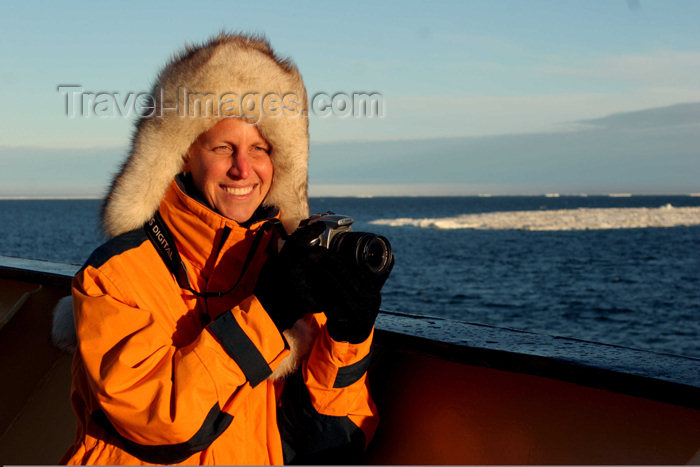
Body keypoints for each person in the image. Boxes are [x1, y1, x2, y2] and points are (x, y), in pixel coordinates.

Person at [59, 32, 391, 465]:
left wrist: (349, 334)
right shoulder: (116, 275)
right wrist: (268, 313)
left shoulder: (286, 266)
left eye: (260, 149)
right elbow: (163, 424)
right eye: (222, 148)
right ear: (181, 155)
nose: (243, 169)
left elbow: (337, 437)